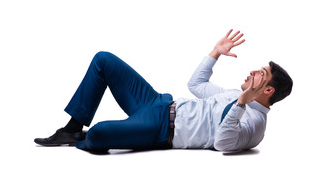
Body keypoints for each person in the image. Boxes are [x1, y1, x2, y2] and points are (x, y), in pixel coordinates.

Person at [34, 29, 293, 152]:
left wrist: (241, 104)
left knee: (100, 133)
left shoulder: (255, 124)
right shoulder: (228, 93)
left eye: (260, 74)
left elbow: (223, 143)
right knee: (104, 60)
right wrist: (215, 53)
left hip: (160, 131)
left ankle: (89, 138)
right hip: (157, 102)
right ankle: (71, 129)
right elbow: (196, 85)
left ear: (268, 90)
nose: (251, 72)